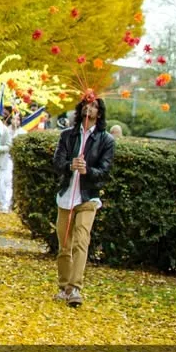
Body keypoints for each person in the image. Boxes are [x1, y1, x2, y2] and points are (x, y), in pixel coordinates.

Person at [52, 96, 115, 308]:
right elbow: (57, 162)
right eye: (87, 104)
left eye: (95, 106)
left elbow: (105, 171)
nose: (90, 108)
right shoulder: (67, 136)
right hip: (66, 196)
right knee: (64, 245)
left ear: (100, 111)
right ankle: (64, 286)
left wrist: (88, 170)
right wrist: (71, 165)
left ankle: (76, 287)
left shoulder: (105, 140)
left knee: (81, 240)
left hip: (88, 197)